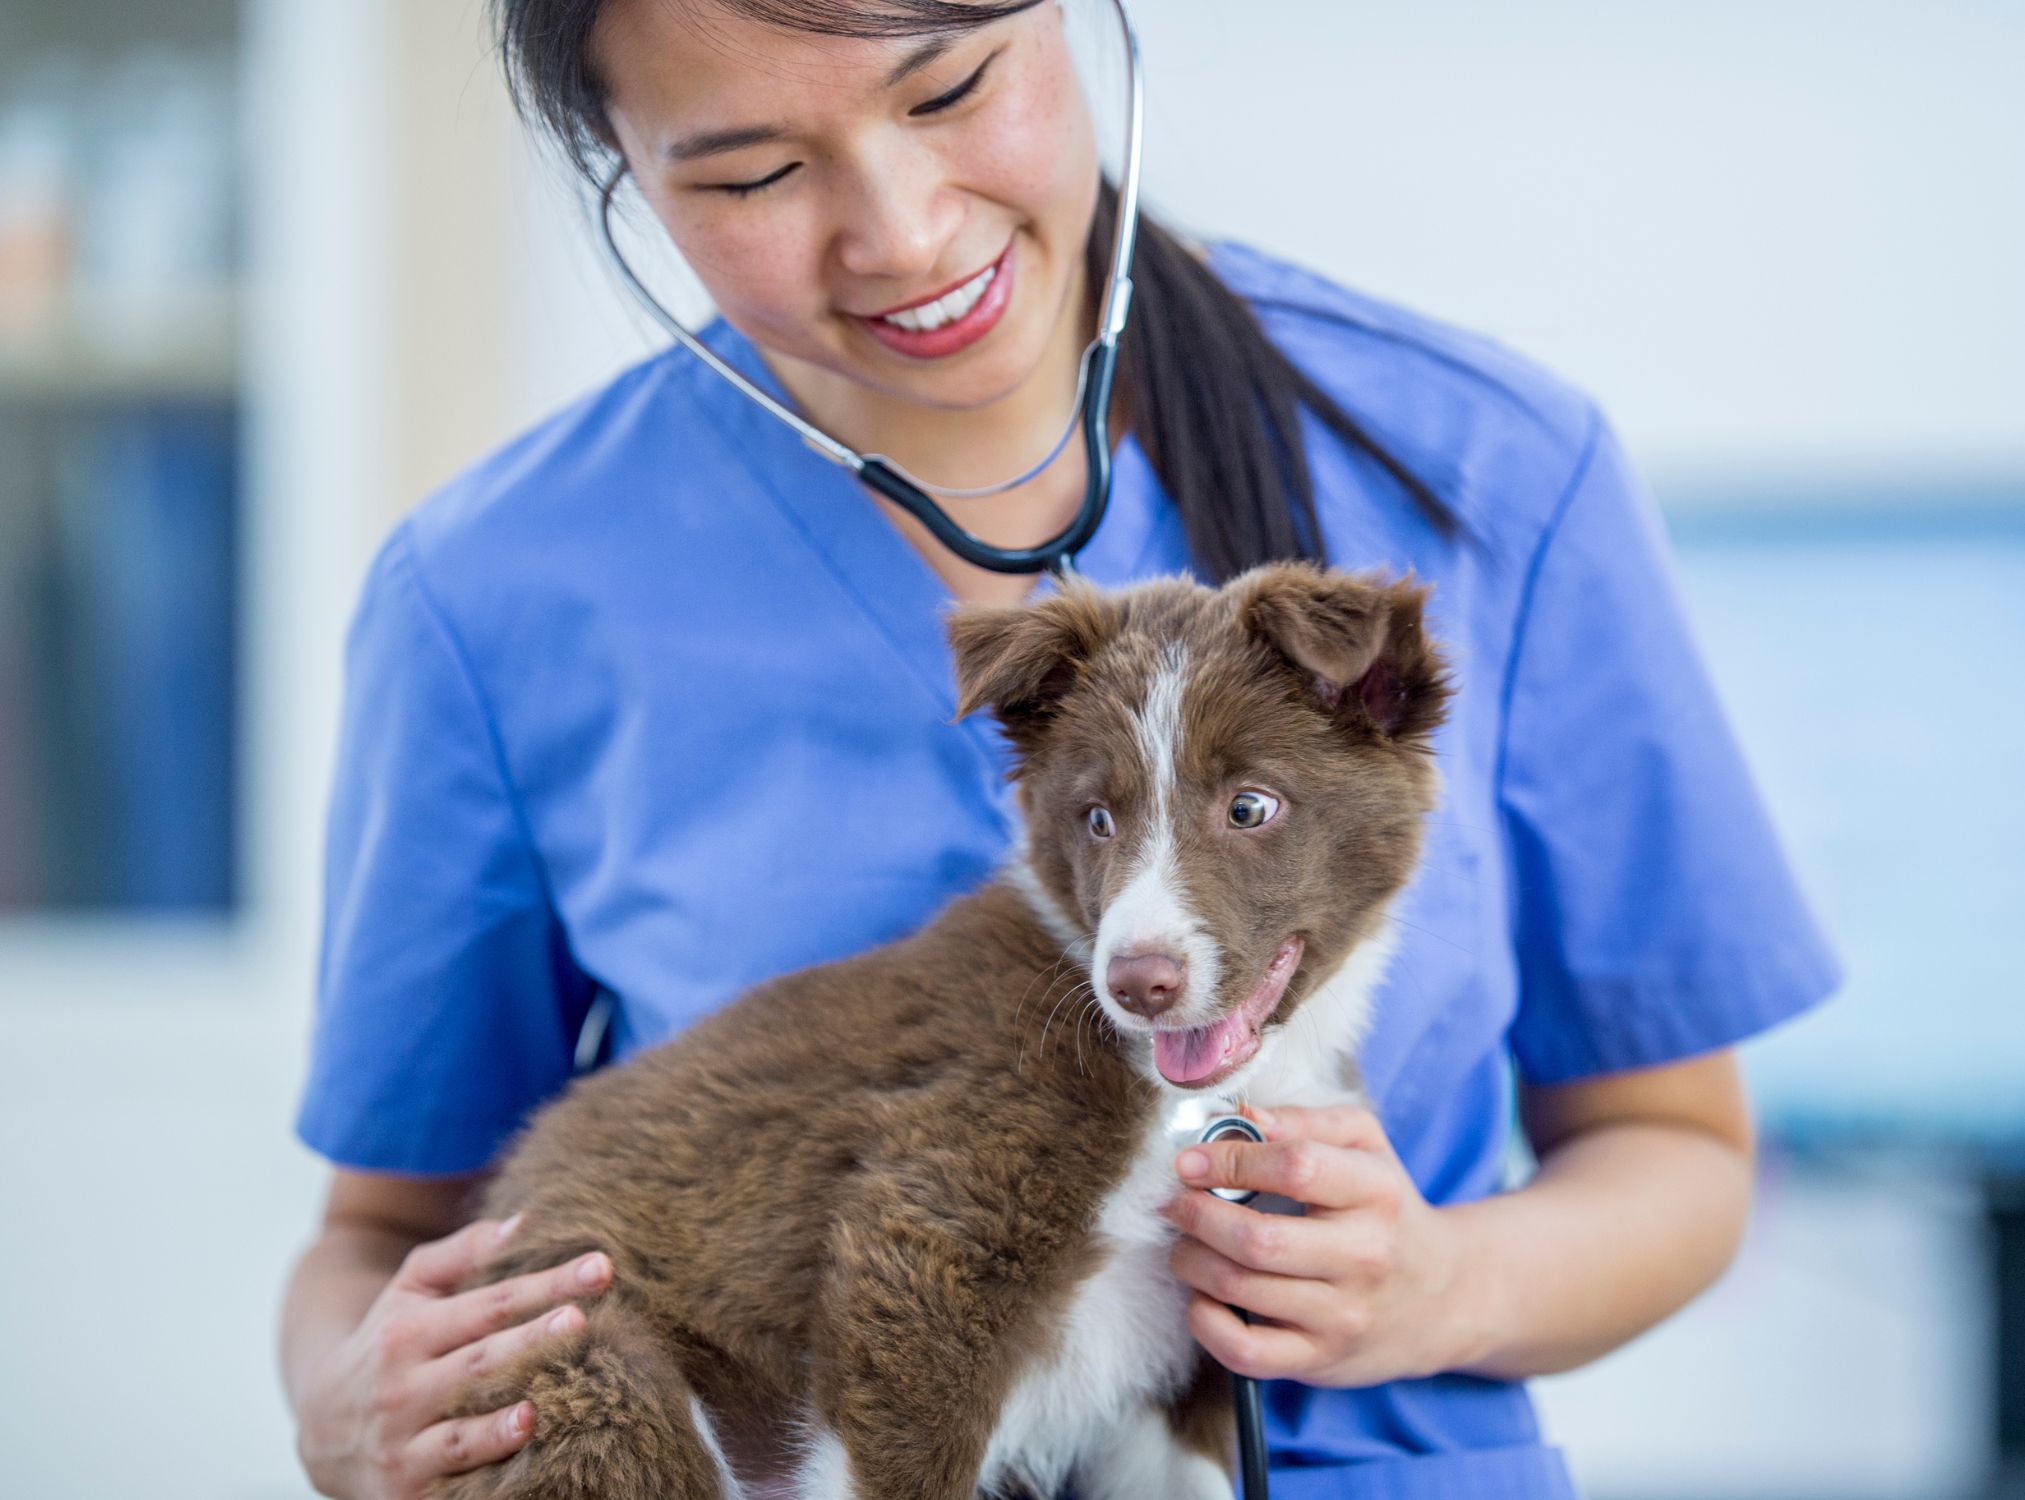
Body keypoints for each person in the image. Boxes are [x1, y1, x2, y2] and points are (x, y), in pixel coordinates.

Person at [276, 2, 1842, 1496]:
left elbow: (1676, 1152)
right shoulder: (494, 594)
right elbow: (386, 1236)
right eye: (753, 170)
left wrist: (1437, 1286)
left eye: (951, 89)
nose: (899, 232)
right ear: (624, 165)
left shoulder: (1489, 468)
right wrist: (348, 1413)